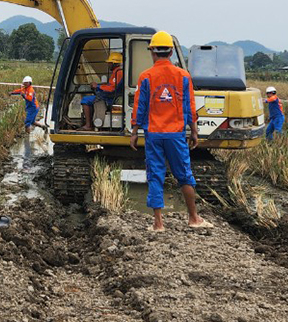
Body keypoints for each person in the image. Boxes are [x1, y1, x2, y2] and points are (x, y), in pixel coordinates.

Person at [130, 30, 212, 232]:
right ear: (171, 53)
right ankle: (193, 218)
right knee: (184, 174)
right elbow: (189, 106)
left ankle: (158, 224)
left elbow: (139, 106)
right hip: (176, 135)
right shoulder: (183, 76)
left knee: (155, 175)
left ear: (153, 52)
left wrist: (134, 130)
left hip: (154, 135)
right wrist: (194, 131)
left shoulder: (146, 76)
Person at [81, 52, 124, 131]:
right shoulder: (117, 72)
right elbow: (110, 86)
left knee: (85, 100)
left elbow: (111, 89)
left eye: (110, 63)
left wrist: (97, 86)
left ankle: (88, 125)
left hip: (109, 98)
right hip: (110, 96)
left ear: (114, 63)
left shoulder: (119, 73)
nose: (108, 65)